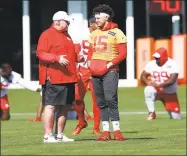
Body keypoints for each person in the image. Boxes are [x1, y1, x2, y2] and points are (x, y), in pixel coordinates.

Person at [87, 4, 127, 141]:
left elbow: (123, 54)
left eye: (99, 17)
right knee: (101, 102)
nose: (96, 19)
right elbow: (90, 53)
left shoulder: (117, 33)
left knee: (111, 99)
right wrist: (88, 63)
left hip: (110, 71)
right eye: (95, 17)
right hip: (95, 72)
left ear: (107, 17)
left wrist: (109, 64)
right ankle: (106, 132)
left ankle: (117, 130)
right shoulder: (93, 34)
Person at [37, 11, 77, 143]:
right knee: (51, 106)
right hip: (53, 77)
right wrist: (56, 58)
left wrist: (78, 58)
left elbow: (70, 54)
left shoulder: (67, 35)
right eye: (67, 22)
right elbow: (41, 53)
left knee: (64, 106)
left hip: (68, 77)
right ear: (58, 22)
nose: (69, 24)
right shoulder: (47, 34)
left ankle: (59, 134)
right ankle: (47, 135)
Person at [72, 17, 101, 135]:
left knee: (97, 100)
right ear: (91, 24)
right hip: (83, 69)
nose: (99, 25)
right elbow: (75, 52)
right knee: (77, 97)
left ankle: (96, 128)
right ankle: (81, 122)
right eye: (97, 23)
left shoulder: (102, 35)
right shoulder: (82, 34)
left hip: (96, 70)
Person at [140, 47, 181, 120]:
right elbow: (143, 75)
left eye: (158, 58)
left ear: (164, 57)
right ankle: (151, 112)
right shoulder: (151, 64)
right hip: (156, 90)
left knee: (176, 117)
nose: (156, 60)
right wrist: (147, 82)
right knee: (148, 90)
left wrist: (159, 85)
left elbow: (172, 80)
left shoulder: (173, 64)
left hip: (169, 92)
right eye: (155, 58)